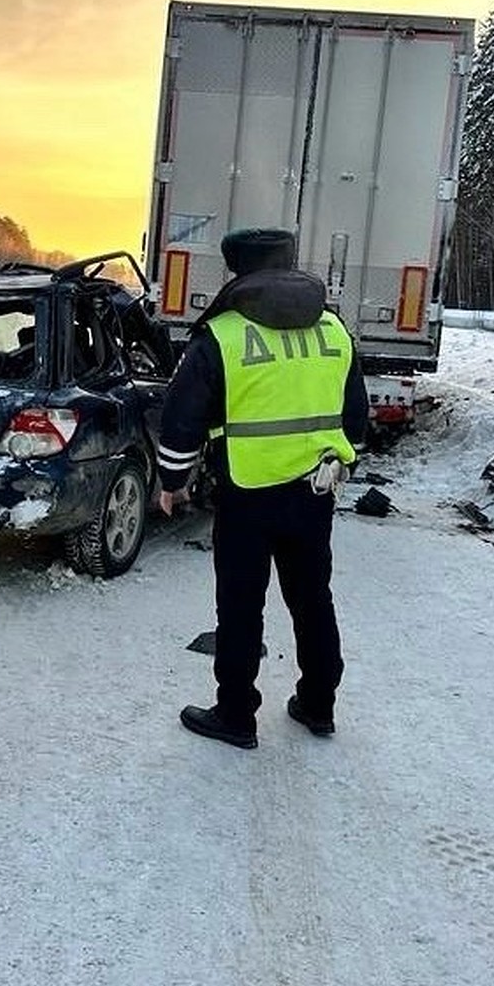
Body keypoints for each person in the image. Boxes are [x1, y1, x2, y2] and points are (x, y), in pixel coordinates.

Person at [157, 228, 369, 747]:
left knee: (240, 603)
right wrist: (343, 464)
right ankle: (319, 706)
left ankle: (235, 715)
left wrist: (172, 482)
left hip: (247, 491)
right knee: (313, 598)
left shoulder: (224, 335)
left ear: (238, 273)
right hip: (315, 492)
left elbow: (181, 420)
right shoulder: (334, 330)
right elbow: (356, 419)